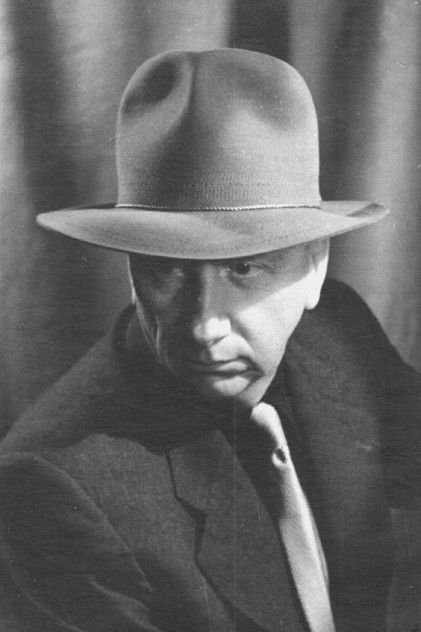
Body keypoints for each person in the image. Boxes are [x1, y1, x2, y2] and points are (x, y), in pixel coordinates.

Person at [0, 48, 419, 632]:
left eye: (244, 268)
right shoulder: (52, 488)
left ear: (316, 267)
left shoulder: (339, 331)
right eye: (165, 269)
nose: (203, 327)